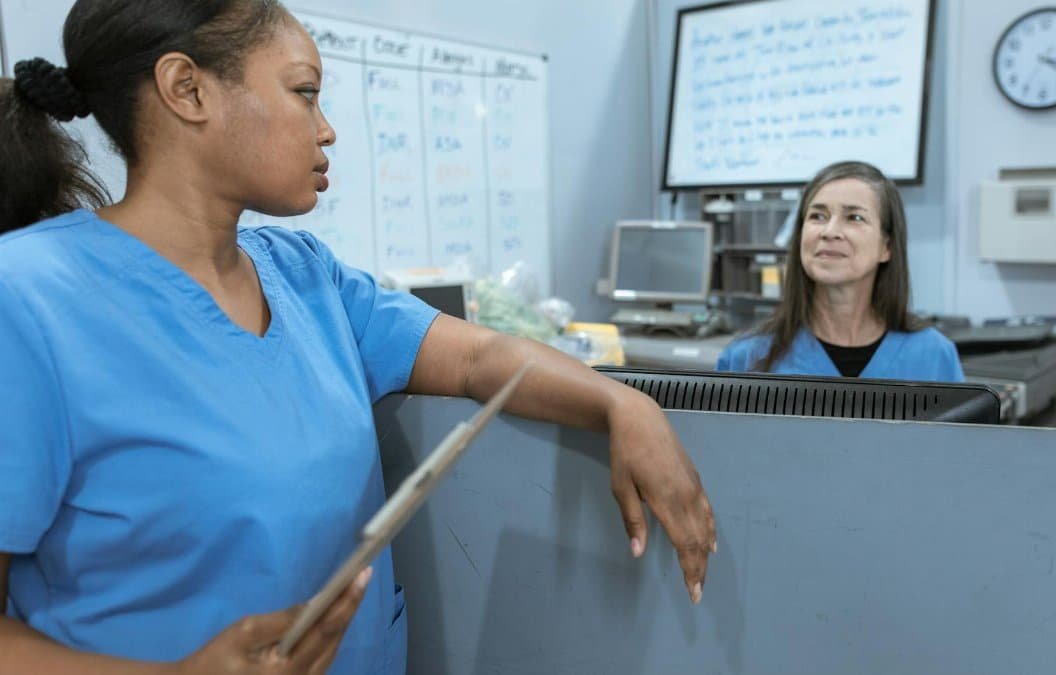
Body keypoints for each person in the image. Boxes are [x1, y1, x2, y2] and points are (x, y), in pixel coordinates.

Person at [0, 2, 716, 673]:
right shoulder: (30, 296)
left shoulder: (307, 276)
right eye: (305, 92)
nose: (327, 127)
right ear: (188, 91)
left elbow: (478, 357)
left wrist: (623, 404)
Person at [716, 161, 963, 381]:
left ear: (886, 247)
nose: (830, 231)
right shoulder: (747, 357)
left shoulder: (933, 356)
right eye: (818, 216)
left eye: (854, 218)